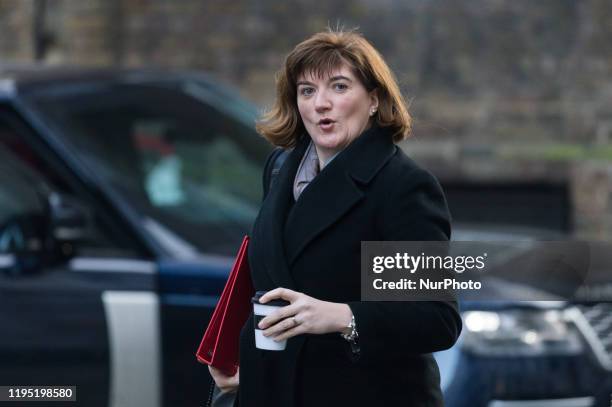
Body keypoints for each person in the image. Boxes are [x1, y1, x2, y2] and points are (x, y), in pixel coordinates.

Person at [209, 29, 462, 407]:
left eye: (339, 87)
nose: (320, 104)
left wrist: (341, 316)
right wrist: (239, 356)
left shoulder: (402, 186)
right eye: (307, 91)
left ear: (374, 100)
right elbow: (270, 280)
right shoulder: (280, 167)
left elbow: (435, 318)